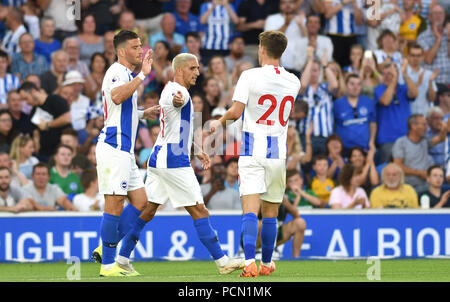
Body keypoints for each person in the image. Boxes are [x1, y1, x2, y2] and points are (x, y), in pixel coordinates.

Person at [118, 52, 244, 276]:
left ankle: (121, 258)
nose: (197, 72)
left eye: (197, 69)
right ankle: (222, 261)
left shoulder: (170, 89)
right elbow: (178, 101)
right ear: (179, 70)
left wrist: (197, 150)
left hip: (160, 157)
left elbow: (178, 127)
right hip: (173, 161)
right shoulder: (179, 93)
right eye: (193, 68)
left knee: (148, 210)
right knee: (199, 209)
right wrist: (178, 101)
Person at [209, 30, 301, 277]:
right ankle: (267, 263)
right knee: (271, 214)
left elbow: (236, 111)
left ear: (261, 49)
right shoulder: (294, 82)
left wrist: (218, 122)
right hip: (277, 154)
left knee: (250, 210)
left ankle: (249, 261)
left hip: (252, 151)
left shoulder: (249, 76)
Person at [91, 30, 161, 277]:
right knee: (114, 204)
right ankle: (108, 265)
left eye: (141, 46)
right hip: (113, 147)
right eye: (135, 47)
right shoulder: (116, 72)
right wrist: (143, 74)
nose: (140, 51)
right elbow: (117, 97)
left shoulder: (126, 74)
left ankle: (105, 247)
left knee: (143, 204)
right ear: (122, 51)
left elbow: (118, 110)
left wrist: (143, 113)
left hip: (126, 151)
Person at [375, 61, 417, 164]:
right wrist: (394, 79)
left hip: (406, 137)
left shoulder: (402, 88)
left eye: (390, 73)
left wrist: (404, 74)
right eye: (384, 74)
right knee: (387, 171)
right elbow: (386, 101)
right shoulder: (379, 89)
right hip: (387, 138)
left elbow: (414, 93)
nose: (387, 76)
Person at [392, 114, 447, 190]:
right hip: (407, 187)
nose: (426, 127)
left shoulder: (425, 140)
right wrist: (420, 173)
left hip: (426, 186)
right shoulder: (401, 142)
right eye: (424, 124)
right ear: (413, 126)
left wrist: (444, 129)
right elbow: (397, 166)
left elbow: (441, 138)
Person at [333, 74, 377, 155]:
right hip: (344, 148)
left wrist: (372, 142)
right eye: (352, 84)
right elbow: (333, 125)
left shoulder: (368, 102)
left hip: (364, 147)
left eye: (358, 84)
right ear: (346, 85)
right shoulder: (337, 103)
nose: (355, 87)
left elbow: (373, 123)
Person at [264, 0, 306, 73]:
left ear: (295, 4)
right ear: (279, 5)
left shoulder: (301, 18)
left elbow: (307, 38)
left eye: (290, 2)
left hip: (299, 63)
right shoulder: (271, 18)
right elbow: (269, 39)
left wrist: (301, 25)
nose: (287, 5)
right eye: (284, 3)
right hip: (279, 62)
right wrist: (286, 24)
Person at [417, 4, 449, 89]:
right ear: (429, 17)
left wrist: (449, 38)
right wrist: (438, 40)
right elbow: (428, 59)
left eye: (441, 13)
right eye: (435, 13)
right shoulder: (422, 37)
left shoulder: (448, 33)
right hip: (434, 81)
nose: (438, 16)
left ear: (444, 16)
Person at [324, 0, 363, 68]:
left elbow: (359, 22)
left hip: (351, 36)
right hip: (334, 35)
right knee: (334, 64)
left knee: (351, 64)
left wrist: (355, 5)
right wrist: (343, 2)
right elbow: (327, 14)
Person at [406, 43, 438, 116]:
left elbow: (432, 99)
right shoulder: (402, 74)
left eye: (418, 55)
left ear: (423, 57)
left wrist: (430, 82)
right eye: (412, 55)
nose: (415, 58)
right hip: (407, 116)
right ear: (407, 56)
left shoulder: (428, 74)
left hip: (424, 115)